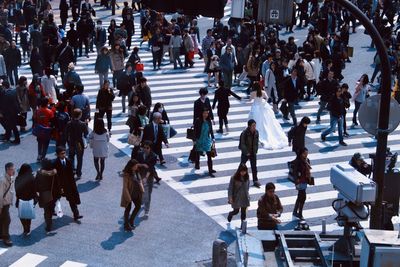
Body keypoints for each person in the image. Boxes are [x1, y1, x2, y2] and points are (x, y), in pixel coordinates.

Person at [248, 83, 287, 149]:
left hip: (256, 107)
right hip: (262, 107)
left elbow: (250, 100)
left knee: (256, 120)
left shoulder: (253, 93)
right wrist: (263, 102)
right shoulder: (263, 92)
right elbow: (267, 98)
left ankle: (255, 132)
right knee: (265, 121)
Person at [53, 146, 82, 222]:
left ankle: (76, 215)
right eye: (62, 154)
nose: (64, 155)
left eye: (64, 153)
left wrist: (73, 185)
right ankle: (51, 211)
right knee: (55, 199)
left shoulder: (68, 161)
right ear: (58, 155)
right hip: (59, 186)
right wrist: (59, 187)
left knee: (72, 200)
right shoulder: (55, 163)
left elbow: (71, 175)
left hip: (69, 185)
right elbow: (55, 177)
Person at [35, 159, 60, 234]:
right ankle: (51, 214)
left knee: (46, 211)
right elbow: (58, 183)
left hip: (44, 194)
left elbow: (36, 184)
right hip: (54, 193)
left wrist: (37, 192)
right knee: (52, 206)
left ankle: (48, 224)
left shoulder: (39, 173)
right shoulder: (54, 173)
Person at [65, 108, 89, 180]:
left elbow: (66, 134)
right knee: (79, 158)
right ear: (80, 115)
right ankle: (79, 173)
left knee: (71, 157)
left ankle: (72, 171)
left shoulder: (69, 123)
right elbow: (86, 133)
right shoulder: (82, 124)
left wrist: (67, 141)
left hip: (71, 142)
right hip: (79, 143)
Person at [120, 159, 144, 231]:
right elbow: (125, 187)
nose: (137, 167)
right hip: (129, 193)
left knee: (138, 206)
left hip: (137, 192)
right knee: (128, 209)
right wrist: (128, 197)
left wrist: (142, 189)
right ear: (131, 166)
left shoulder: (136, 171)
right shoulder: (126, 174)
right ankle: (126, 225)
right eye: (135, 166)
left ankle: (131, 220)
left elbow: (139, 180)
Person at [135, 141, 158, 215]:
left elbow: (150, 168)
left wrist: (146, 178)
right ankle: (142, 200)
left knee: (148, 193)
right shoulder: (139, 154)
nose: (145, 149)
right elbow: (136, 164)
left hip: (149, 176)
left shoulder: (153, 156)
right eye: (144, 147)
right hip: (140, 174)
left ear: (150, 148)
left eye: (147, 148)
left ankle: (146, 210)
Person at [15, 163, 37, 236]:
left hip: (21, 199)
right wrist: (35, 198)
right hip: (29, 200)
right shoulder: (31, 178)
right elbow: (34, 189)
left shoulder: (18, 178)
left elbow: (16, 190)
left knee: (22, 215)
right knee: (28, 216)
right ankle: (28, 228)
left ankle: (25, 228)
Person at [194, 108, 216, 177]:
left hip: (207, 139)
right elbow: (195, 131)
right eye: (204, 113)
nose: (206, 115)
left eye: (207, 113)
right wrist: (194, 140)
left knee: (209, 155)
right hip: (199, 139)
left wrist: (213, 138)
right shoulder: (198, 120)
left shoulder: (208, 120)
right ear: (202, 113)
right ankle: (197, 163)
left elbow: (211, 130)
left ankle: (210, 169)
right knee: (198, 152)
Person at [292, 148, 313, 220]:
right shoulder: (297, 162)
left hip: (305, 181)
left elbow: (309, 169)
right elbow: (295, 173)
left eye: (307, 153)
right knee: (303, 197)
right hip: (300, 182)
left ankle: (295, 212)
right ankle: (300, 213)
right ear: (301, 154)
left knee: (300, 197)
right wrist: (296, 182)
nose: (306, 155)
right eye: (304, 153)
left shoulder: (307, 160)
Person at [239, 119, 261, 188]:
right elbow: (242, 144)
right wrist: (246, 152)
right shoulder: (244, 133)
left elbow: (256, 142)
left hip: (253, 152)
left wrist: (256, 150)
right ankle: (238, 179)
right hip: (246, 153)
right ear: (249, 126)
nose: (254, 127)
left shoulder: (256, 132)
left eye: (255, 125)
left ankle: (255, 180)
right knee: (242, 166)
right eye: (253, 126)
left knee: (254, 167)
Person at [0, 162, 15, 246]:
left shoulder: (11, 177)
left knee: (2, 219)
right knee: (7, 220)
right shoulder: (3, 180)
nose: (13, 171)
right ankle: (6, 237)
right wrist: (0, 207)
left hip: (7, 203)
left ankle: (1, 234)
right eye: (12, 169)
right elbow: (0, 195)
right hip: (3, 204)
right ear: (7, 170)